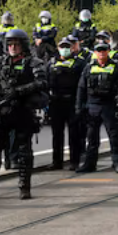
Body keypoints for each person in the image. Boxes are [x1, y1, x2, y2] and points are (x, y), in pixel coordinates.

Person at [0, 28, 47, 201]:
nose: (13, 47)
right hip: (1, 112)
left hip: (22, 111)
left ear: (23, 45)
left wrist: (20, 91)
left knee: (24, 152)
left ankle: (24, 188)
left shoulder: (33, 63)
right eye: (10, 44)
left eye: (16, 44)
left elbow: (42, 82)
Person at [76, 40, 118, 174]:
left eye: (104, 50)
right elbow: (81, 88)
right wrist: (79, 107)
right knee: (92, 138)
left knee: (114, 136)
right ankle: (90, 164)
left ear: (108, 51)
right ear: (95, 53)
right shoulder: (89, 68)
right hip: (92, 107)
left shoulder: (116, 67)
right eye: (99, 50)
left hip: (109, 106)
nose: (102, 53)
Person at [47, 36, 85, 171]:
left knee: (74, 133)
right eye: (62, 47)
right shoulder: (51, 63)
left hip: (72, 101)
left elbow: (83, 84)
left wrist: (81, 104)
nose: (64, 49)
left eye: (67, 47)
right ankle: (57, 161)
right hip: (56, 102)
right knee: (57, 133)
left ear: (71, 48)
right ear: (58, 48)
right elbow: (46, 83)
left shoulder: (79, 63)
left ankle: (74, 161)